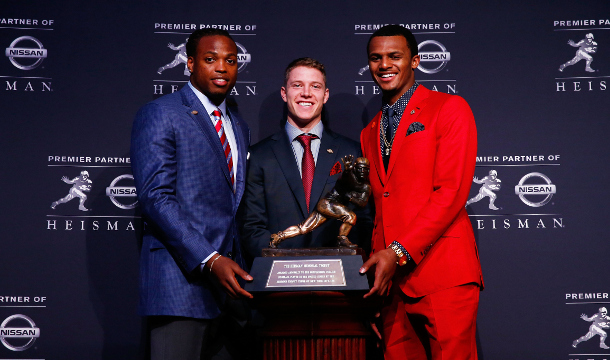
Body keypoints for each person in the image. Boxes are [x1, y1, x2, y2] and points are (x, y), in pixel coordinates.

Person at [358, 25, 483, 360]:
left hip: (443, 274)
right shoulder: (369, 132)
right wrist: (377, 281)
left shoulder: (449, 108)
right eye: (376, 58)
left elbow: (451, 192)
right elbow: (380, 207)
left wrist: (397, 252)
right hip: (391, 287)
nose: (384, 64)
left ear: (414, 61)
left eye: (394, 56)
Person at [131, 28, 252, 360]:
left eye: (230, 61)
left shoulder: (238, 125)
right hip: (179, 285)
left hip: (230, 294)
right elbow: (155, 197)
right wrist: (210, 259)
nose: (222, 68)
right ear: (190, 63)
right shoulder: (161, 113)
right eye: (211, 59)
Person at [240, 57, 372, 261]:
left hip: (340, 279)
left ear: (325, 95)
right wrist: (286, 271)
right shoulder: (259, 156)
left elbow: (364, 221)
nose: (306, 93)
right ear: (284, 93)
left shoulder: (353, 151)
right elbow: (251, 227)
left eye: (315, 86)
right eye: (297, 85)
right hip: (277, 280)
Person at [269, 155, 371, 248]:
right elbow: (345, 180)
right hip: (327, 203)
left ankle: (278, 237)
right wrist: (347, 171)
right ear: (354, 168)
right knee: (351, 216)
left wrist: (349, 197)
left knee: (304, 228)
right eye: (360, 168)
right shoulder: (349, 175)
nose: (362, 171)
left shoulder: (366, 186)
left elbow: (362, 203)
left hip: (331, 206)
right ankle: (342, 239)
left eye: (365, 169)